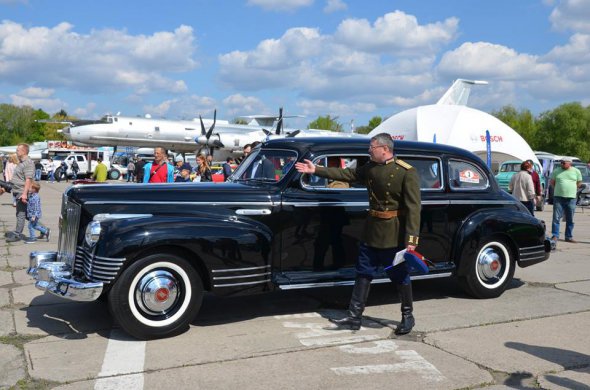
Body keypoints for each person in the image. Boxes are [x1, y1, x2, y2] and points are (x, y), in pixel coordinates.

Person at [295, 133, 421, 335]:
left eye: (372, 147)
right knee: (363, 274)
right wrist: (316, 169)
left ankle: (408, 316)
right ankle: (354, 316)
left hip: (393, 234)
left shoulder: (406, 172)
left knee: (399, 276)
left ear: (384, 149)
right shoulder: (370, 168)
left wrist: (411, 239)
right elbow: (348, 175)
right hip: (371, 231)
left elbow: (414, 208)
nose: (369, 150)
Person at [1, 144, 35, 242]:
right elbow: (17, 178)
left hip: (21, 191)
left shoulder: (28, 163)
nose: (16, 151)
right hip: (16, 190)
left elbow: (28, 180)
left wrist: (24, 194)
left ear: (24, 151)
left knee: (21, 214)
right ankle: (44, 230)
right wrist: (4, 189)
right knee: (26, 215)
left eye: (18, 150)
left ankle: (17, 234)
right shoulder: (21, 163)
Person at [550, 157, 582, 244]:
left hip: (571, 198)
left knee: (570, 218)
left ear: (569, 163)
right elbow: (552, 182)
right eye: (561, 162)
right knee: (556, 218)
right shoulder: (556, 171)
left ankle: (568, 236)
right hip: (558, 197)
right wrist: (559, 189)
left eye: (564, 163)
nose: (562, 164)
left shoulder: (576, 171)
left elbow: (579, 182)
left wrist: (572, 189)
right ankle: (555, 236)